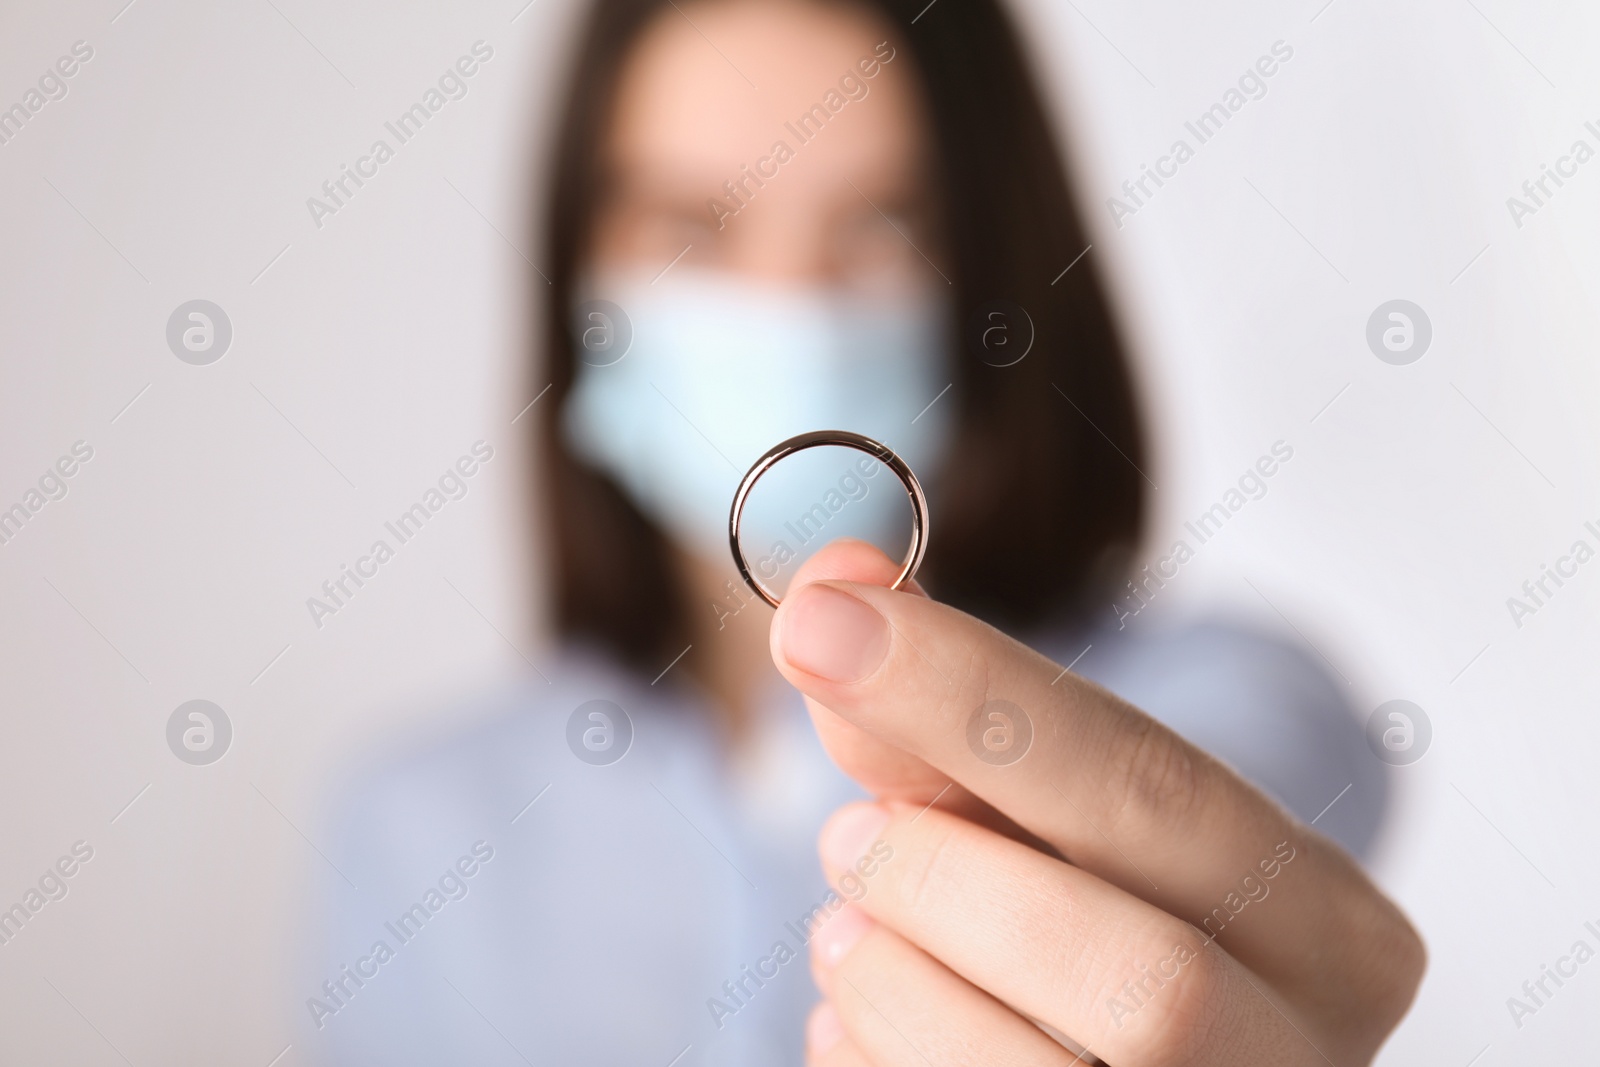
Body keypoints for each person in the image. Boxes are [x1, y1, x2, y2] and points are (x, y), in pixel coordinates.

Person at [304, 0, 1423, 1062]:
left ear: (997, 282)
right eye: (692, 226)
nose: (791, 300)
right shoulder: (415, 830)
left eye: (882, 224)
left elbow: (1248, 812)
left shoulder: (1230, 697)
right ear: (579, 294)